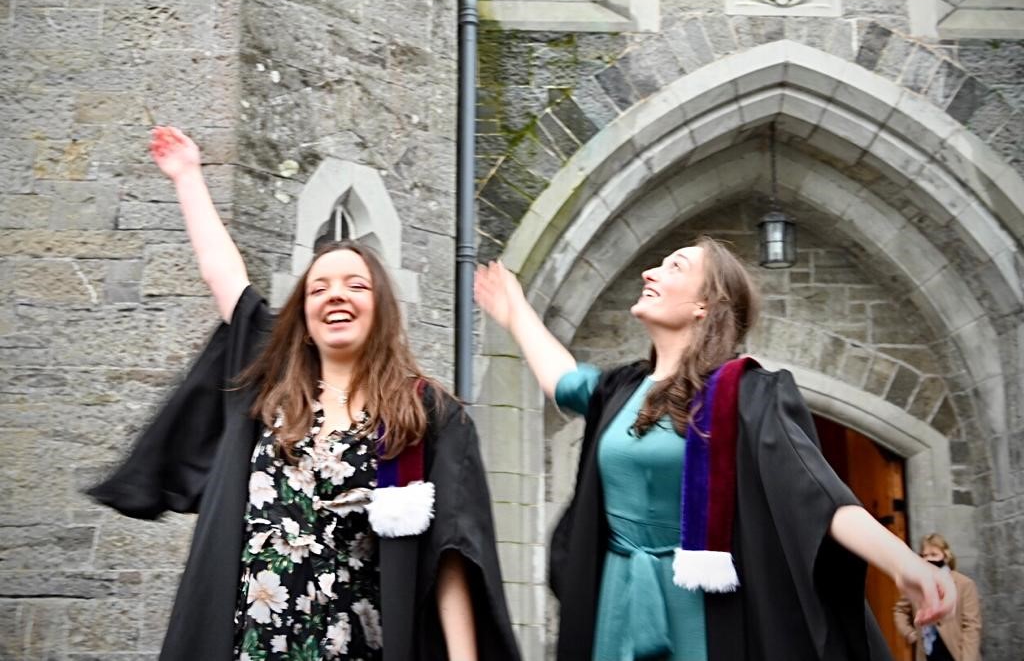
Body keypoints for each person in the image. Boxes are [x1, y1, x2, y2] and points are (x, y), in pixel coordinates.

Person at [89, 126, 520, 661]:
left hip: (355, 645)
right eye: (320, 287)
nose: (336, 294)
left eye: (355, 285)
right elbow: (226, 278)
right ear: (304, 315)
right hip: (253, 643)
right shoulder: (270, 380)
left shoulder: (424, 413)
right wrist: (188, 176)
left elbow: (453, 552)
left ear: (381, 308)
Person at [475, 237, 956, 661]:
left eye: (675, 266)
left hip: (701, 611)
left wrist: (903, 563)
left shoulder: (748, 395)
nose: (650, 271)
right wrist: (515, 310)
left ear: (705, 304)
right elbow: (562, 378)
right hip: (615, 603)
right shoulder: (620, 390)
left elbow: (818, 496)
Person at [894, 533, 981, 661]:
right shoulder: (917, 585)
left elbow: (971, 626)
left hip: (956, 654)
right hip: (927, 654)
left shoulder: (964, 584)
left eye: (934, 554)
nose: (928, 559)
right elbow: (900, 610)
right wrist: (910, 634)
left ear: (945, 556)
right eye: (924, 555)